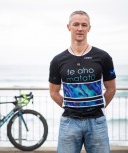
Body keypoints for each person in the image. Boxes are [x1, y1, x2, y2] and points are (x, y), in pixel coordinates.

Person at [49, 10, 116, 153]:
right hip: (69, 122)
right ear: (69, 27)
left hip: (97, 122)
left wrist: (97, 106)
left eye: (84, 25)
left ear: (89, 28)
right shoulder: (58, 60)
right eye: (76, 24)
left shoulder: (103, 57)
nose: (80, 28)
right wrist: (71, 106)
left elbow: (111, 89)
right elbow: (53, 92)